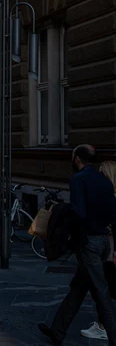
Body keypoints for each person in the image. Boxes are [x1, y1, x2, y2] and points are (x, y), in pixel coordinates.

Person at [39, 145, 116, 346]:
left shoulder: (78, 180)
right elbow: (113, 215)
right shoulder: (105, 181)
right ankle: (57, 331)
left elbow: (78, 213)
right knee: (78, 288)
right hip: (102, 242)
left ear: (77, 159)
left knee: (102, 294)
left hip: (88, 243)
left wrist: (66, 222)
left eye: (72, 156)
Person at [81, 160, 116, 340]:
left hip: (109, 251)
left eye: (101, 173)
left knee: (105, 290)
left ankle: (104, 327)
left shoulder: (109, 196)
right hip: (106, 248)